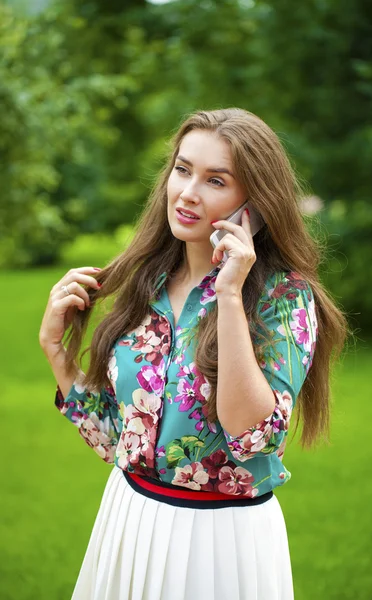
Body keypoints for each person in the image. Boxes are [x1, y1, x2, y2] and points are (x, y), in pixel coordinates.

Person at [39, 108, 349, 600]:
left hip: (220, 542)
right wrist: (57, 353)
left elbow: (253, 437)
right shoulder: (145, 283)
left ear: (255, 204)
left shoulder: (283, 299)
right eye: (183, 170)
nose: (188, 192)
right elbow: (121, 440)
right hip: (127, 521)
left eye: (216, 180)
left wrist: (228, 296)